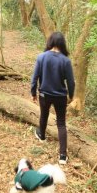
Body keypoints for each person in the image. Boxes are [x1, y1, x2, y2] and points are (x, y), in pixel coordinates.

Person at [30, 32, 75, 165]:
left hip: (44, 94)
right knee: (61, 123)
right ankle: (62, 156)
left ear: (50, 42)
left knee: (44, 115)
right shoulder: (66, 61)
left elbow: (35, 77)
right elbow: (71, 82)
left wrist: (33, 92)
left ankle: (42, 136)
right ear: (62, 44)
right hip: (60, 96)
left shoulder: (41, 57)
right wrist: (71, 96)